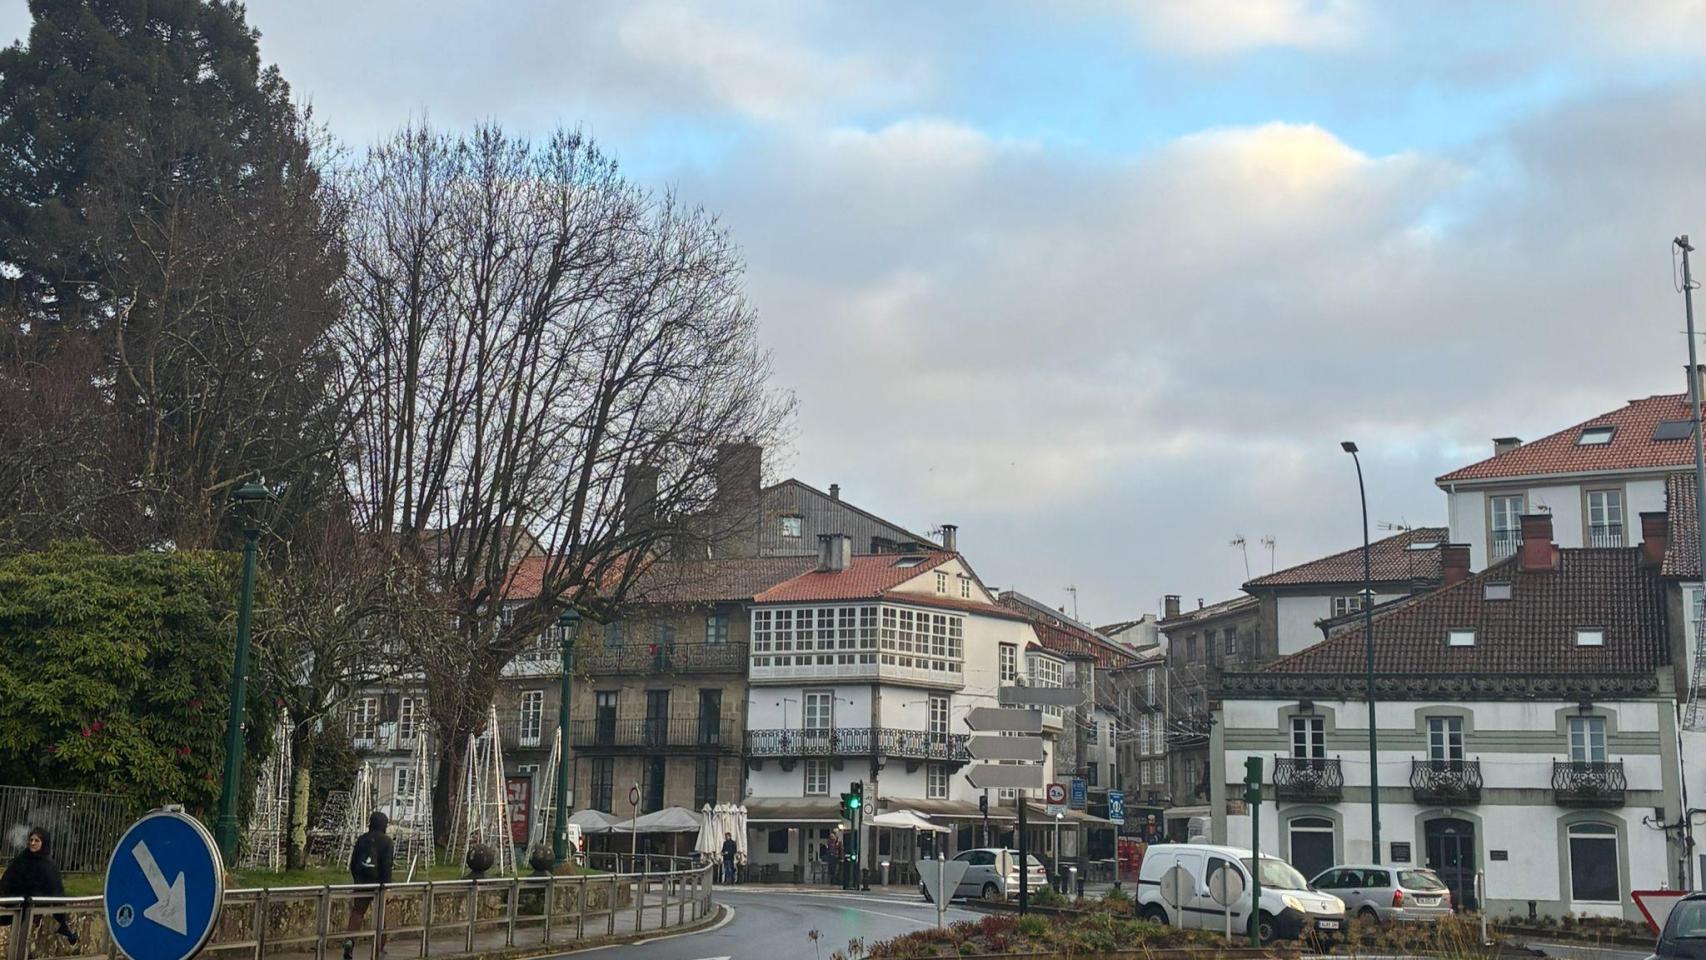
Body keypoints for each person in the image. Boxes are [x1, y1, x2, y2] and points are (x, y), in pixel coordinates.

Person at [0, 829, 76, 944]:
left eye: (37, 841)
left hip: (32, 908)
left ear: (43, 843)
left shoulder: (48, 866)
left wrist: (61, 919)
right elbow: (7, 880)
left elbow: (55, 891)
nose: (33, 843)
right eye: (31, 840)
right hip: (14, 905)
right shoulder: (21, 859)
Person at [343, 812, 394, 960]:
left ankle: (349, 942)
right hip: (379, 884)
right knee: (381, 916)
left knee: (357, 913)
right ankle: (380, 948)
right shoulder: (386, 842)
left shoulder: (362, 839)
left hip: (361, 881)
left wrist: (357, 880)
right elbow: (387, 865)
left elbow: (353, 863)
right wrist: (387, 887)